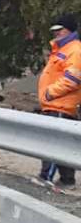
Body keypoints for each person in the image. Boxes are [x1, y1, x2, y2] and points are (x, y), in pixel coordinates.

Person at [38, 14, 81, 188]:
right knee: (62, 145)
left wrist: (50, 93)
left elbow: (73, 79)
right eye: (54, 30)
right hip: (54, 105)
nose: (55, 33)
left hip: (60, 106)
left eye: (59, 30)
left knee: (53, 144)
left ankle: (45, 178)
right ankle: (66, 181)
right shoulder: (61, 50)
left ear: (69, 30)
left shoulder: (75, 50)